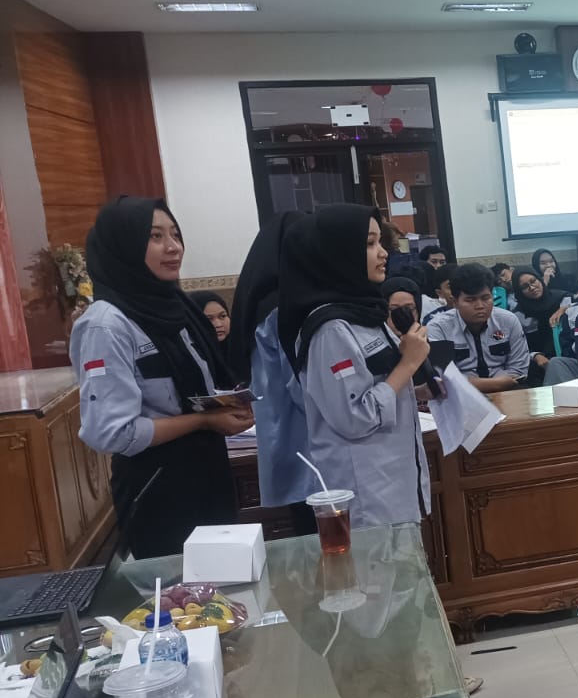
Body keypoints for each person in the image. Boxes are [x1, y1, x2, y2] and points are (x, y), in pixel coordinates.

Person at [72, 197, 251, 557]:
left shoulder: (175, 306)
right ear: (124, 246)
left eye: (175, 234)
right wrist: (204, 421)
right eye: (155, 236)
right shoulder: (106, 325)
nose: (173, 247)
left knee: (224, 577)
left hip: (208, 471)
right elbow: (112, 432)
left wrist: (230, 405)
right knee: (174, 587)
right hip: (158, 485)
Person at [278, 204, 431, 529]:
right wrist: (408, 363)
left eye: (380, 242)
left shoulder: (364, 313)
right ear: (337, 254)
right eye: (369, 244)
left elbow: (379, 384)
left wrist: (417, 385)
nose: (383, 253)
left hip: (392, 481)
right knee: (377, 563)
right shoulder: (330, 330)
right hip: (365, 493)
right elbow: (353, 417)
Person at [229, 212, 317, 532]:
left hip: (287, 441)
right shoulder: (284, 309)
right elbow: (303, 389)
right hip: (307, 445)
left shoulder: (263, 302)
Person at [426, 263, 529, 393]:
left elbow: (519, 370)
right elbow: (443, 379)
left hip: (507, 390)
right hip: (461, 396)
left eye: (486, 298)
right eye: (470, 300)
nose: (480, 306)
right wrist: (495, 384)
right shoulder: (438, 327)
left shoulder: (508, 321)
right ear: (455, 302)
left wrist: (497, 385)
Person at [507, 265, 557, 384]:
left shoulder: (560, 298)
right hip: (536, 364)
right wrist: (535, 356)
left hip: (564, 358)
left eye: (533, 281)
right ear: (519, 292)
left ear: (539, 279)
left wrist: (563, 309)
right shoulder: (518, 315)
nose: (532, 287)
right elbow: (517, 347)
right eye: (525, 287)